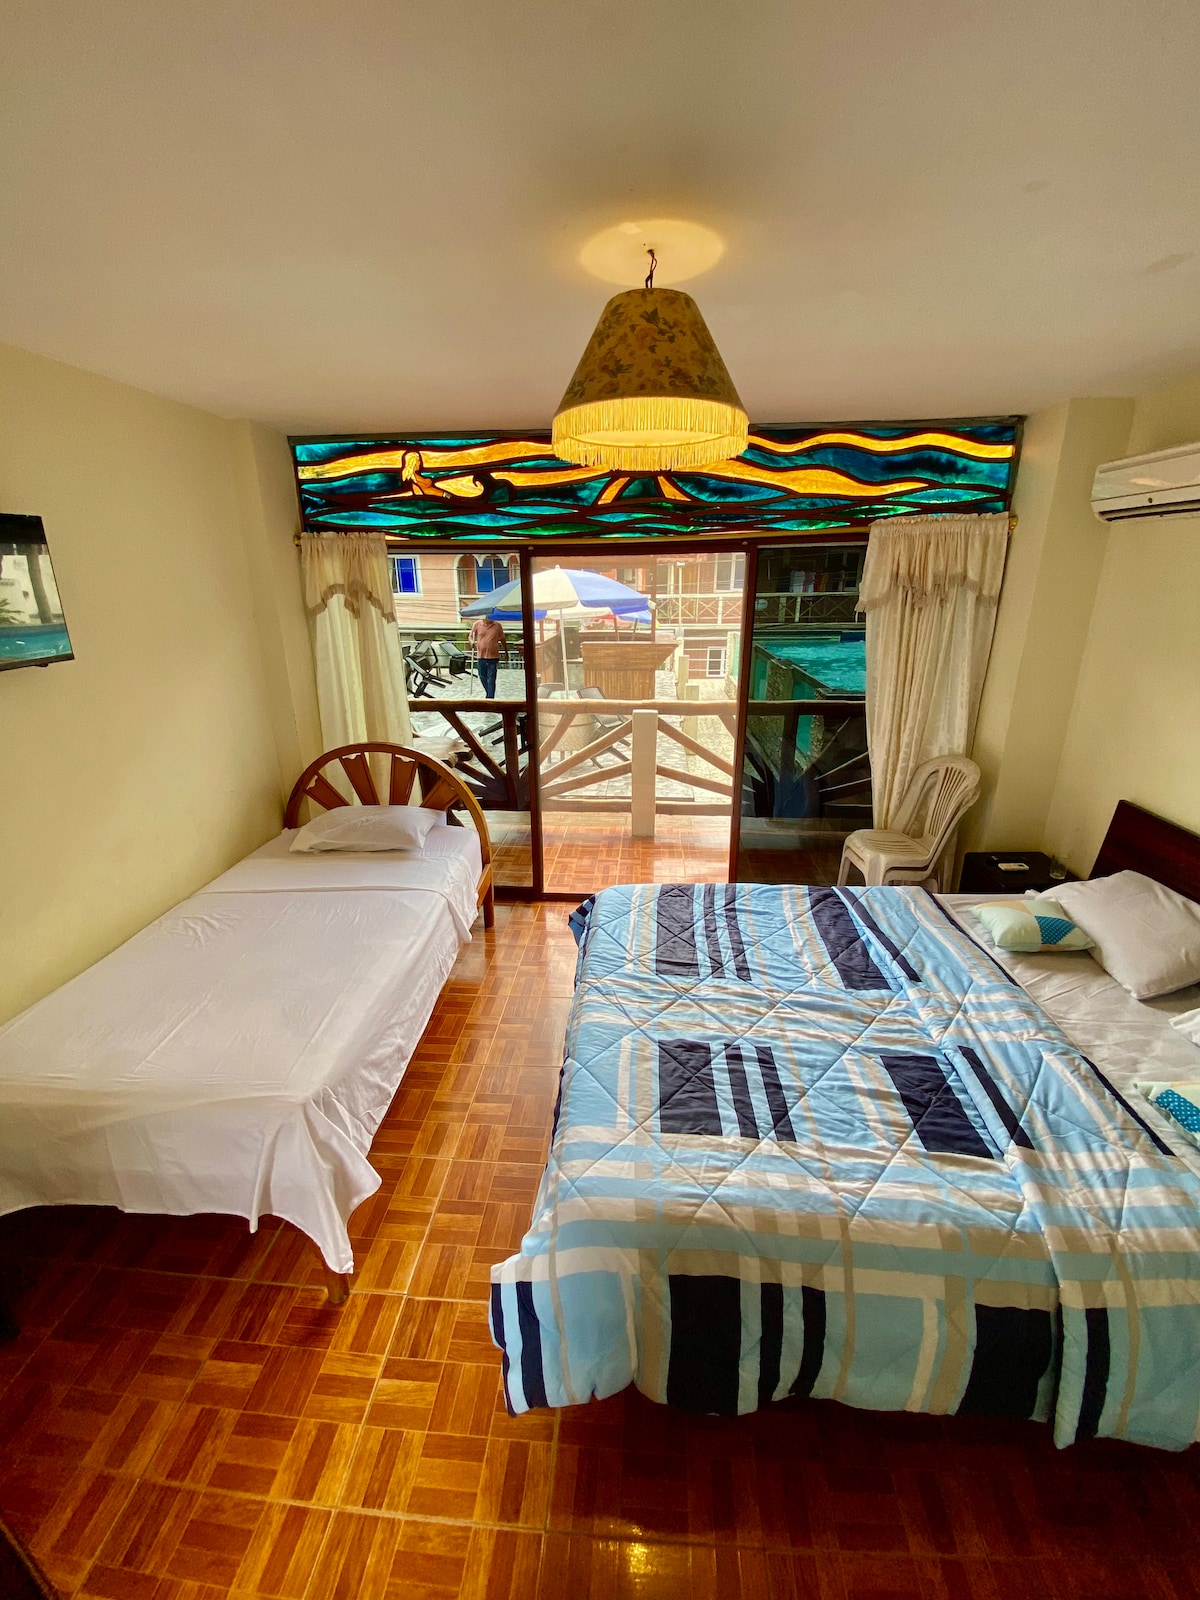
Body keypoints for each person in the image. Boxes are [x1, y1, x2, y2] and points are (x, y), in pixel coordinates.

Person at [468, 613, 505, 699]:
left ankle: (490, 698)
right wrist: (472, 642)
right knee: (482, 676)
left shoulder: (497, 625)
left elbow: (502, 639)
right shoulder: (477, 624)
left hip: (493, 657)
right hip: (481, 656)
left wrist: (506, 652)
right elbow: (470, 636)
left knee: (491, 678)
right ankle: (489, 694)